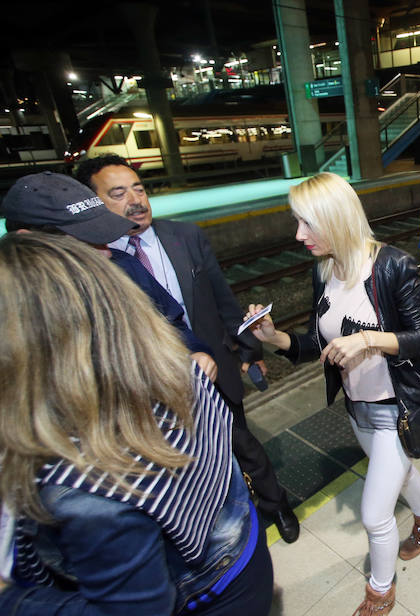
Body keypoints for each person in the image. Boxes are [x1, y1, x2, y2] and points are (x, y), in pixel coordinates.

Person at [0, 232, 273, 615]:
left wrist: (10, 599)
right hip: (241, 550)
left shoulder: (83, 485)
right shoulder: (182, 369)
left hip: (204, 594)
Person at [75, 155, 299, 543]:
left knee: (241, 442)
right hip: (153, 390)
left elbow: (222, 299)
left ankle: (275, 504)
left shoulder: (186, 236)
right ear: (94, 203)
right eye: (118, 193)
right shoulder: (96, 260)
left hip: (215, 372)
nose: (136, 200)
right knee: (185, 464)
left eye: (139, 188)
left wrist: (248, 351)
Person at [246, 172, 420, 616]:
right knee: (397, 471)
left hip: (398, 408)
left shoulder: (392, 265)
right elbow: (319, 345)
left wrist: (369, 340)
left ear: (335, 218)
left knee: (374, 515)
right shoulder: (325, 271)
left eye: (307, 223)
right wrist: (275, 339)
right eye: (297, 223)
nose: (299, 235)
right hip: (358, 408)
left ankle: (381, 591)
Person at [0, 171, 215, 370]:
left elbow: (173, 324)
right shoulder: (12, 321)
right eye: (87, 241)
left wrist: (194, 352)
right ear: (29, 241)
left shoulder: (126, 267)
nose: (107, 254)